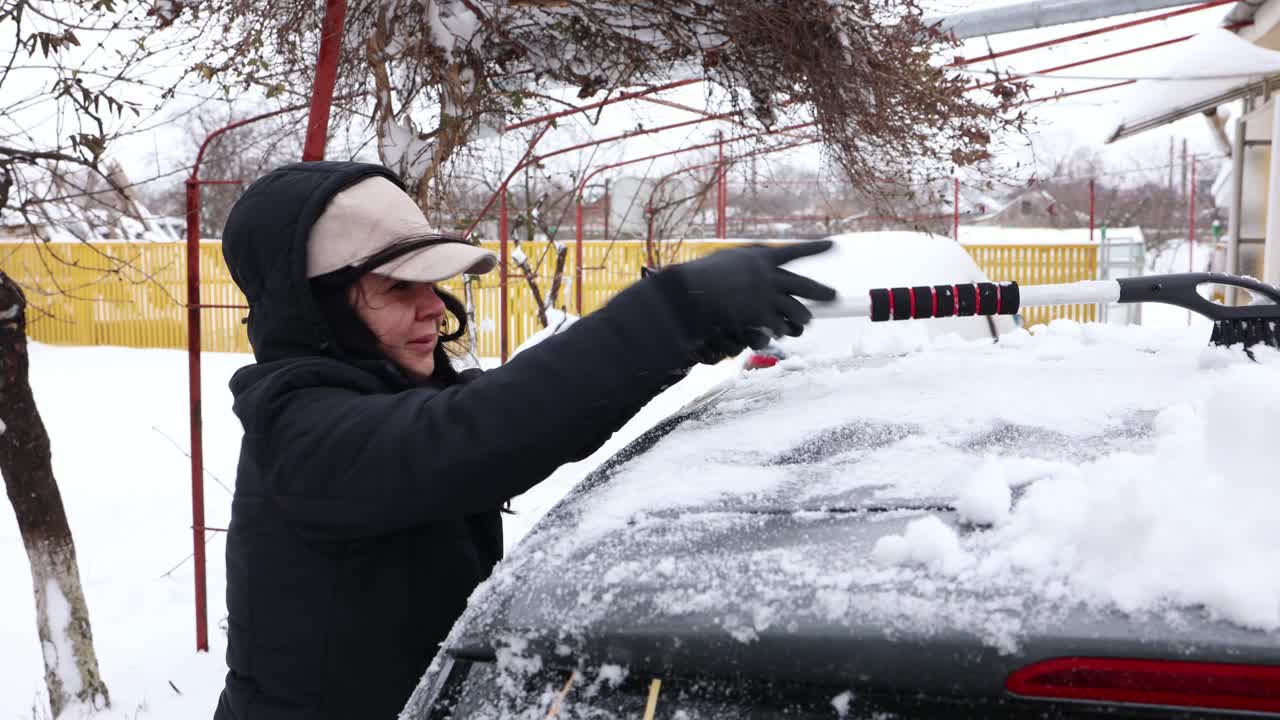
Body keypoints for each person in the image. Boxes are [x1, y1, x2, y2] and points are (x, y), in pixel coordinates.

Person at [212, 160, 835, 720]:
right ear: (316, 310)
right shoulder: (302, 437)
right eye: (398, 287)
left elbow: (524, 410)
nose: (434, 307)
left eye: (431, 284)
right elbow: (476, 433)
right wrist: (675, 312)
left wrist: (690, 340)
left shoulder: (386, 398)